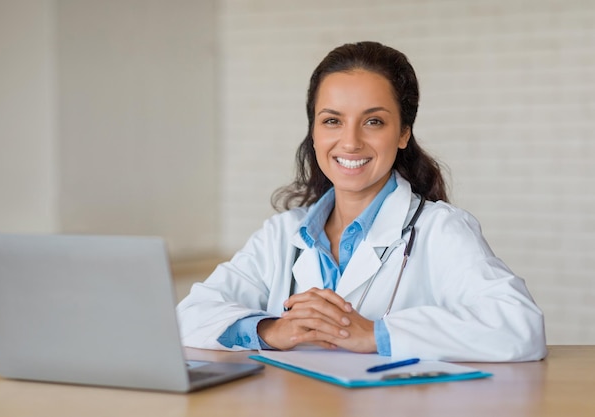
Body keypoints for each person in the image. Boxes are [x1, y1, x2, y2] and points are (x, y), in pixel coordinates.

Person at [177, 41, 547, 362]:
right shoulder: (282, 234)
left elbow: (520, 326)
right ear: (314, 131)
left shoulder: (440, 229)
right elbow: (188, 316)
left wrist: (374, 335)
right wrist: (273, 330)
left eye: (373, 122)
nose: (350, 142)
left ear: (403, 132)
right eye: (332, 121)